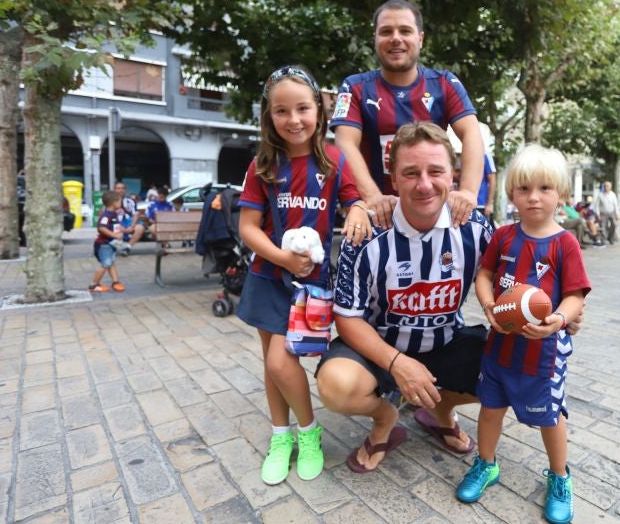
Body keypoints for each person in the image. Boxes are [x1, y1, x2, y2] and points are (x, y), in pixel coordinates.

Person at [315, 122, 494, 473]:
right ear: (393, 180)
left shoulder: (475, 229)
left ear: (453, 175)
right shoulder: (365, 234)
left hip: (446, 342)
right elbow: (347, 317)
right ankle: (385, 418)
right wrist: (398, 363)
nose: (424, 184)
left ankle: (440, 409)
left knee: (517, 363)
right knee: (336, 384)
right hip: (379, 349)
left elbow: (512, 287)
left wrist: (562, 311)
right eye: (411, 173)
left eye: (435, 171)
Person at [235, 65, 370, 485]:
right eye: (281, 111)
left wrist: (359, 210)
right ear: (269, 115)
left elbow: (354, 199)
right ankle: (284, 436)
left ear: (319, 111)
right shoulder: (262, 165)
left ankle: (307, 433)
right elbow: (248, 227)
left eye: (302, 108)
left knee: (281, 360)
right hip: (267, 276)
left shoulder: (334, 160)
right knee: (273, 362)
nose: (293, 119)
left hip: (310, 284)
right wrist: (282, 258)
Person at [457, 145, 589, 524]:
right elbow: (484, 275)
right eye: (524, 188)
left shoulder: (565, 243)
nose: (533, 197)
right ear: (511, 193)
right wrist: (488, 306)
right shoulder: (503, 236)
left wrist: (558, 320)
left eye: (545, 188)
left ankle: (560, 477)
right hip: (499, 349)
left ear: (561, 194)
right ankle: (486, 464)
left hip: (542, 356)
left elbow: (575, 295)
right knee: (490, 409)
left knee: (549, 417)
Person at [330, 0, 484, 229]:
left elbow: (471, 132)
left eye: (405, 30)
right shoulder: (354, 88)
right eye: (386, 31)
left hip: (432, 214)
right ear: (375, 38)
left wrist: (469, 192)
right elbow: (345, 143)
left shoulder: (445, 83)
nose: (396, 38)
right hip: (377, 217)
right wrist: (373, 197)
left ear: (420, 39)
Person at [89, 190, 126, 293]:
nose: (121, 203)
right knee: (106, 264)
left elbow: (113, 226)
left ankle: (115, 282)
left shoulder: (113, 214)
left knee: (111, 263)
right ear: (114, 202)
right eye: (120, 201)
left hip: (110, 244)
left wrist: (122, 230)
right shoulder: (106, 215)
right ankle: (93, 285)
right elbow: (101, 228)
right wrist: (115, 235)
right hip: (103, 245)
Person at [113, 181, 145, 255]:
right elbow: (107, 216)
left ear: (125, 190)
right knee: (114, 227)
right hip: (115, 223)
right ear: (114, 190)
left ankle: (127, 247)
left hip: (128, 222)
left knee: (140, 228)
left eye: (123, 188)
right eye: (118, 188)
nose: (121, 190)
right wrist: (119, 226)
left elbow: (135, 215)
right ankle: (113, 247)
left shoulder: (131, 201)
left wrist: (132, 226)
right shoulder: (110, 201)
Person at [478, 151, 497, 225]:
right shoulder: (465, 153)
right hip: (466, 204)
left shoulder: (485, 155)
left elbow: (492, 179)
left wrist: (489, 204)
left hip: (481, 205)